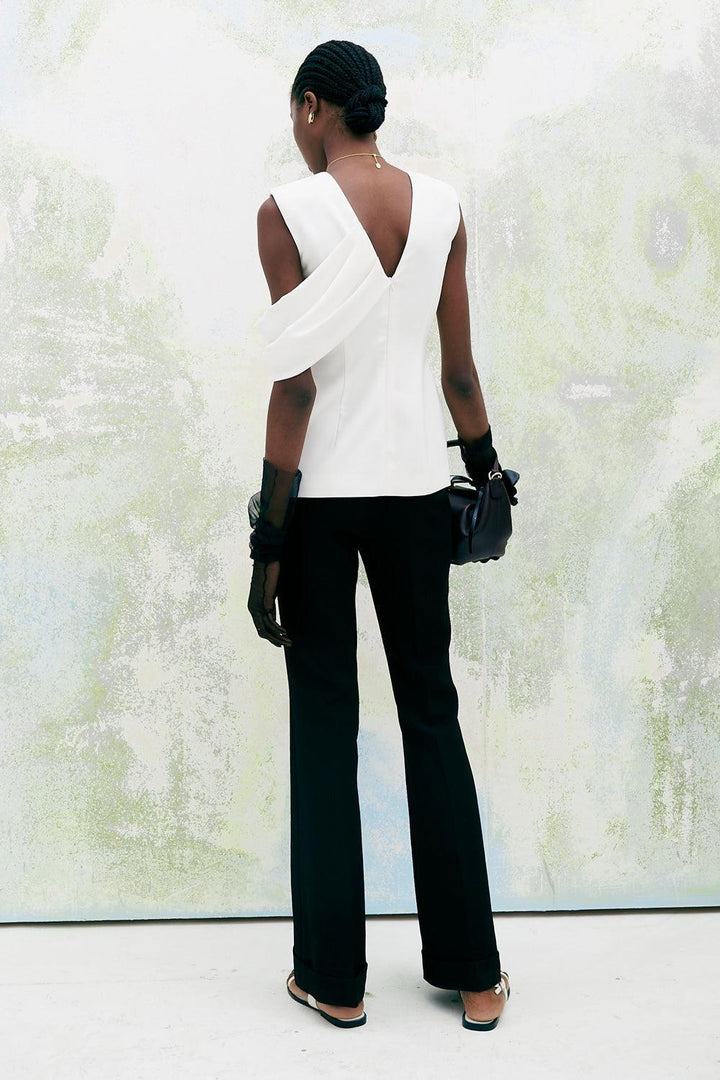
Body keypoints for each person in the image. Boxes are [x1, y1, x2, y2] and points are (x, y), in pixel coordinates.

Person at [247, 39, 511, 1032]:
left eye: (296, 112)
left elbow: (296, 387)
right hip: (413, 492)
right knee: (431, 713)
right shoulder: (441, 208)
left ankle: (335, 981)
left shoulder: (288, 212)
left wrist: (268, 542)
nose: (295, 129)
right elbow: (459, 373)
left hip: (320, 501)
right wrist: (488, 473)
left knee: (325, 723)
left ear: (315, 107)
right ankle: (475, 976)